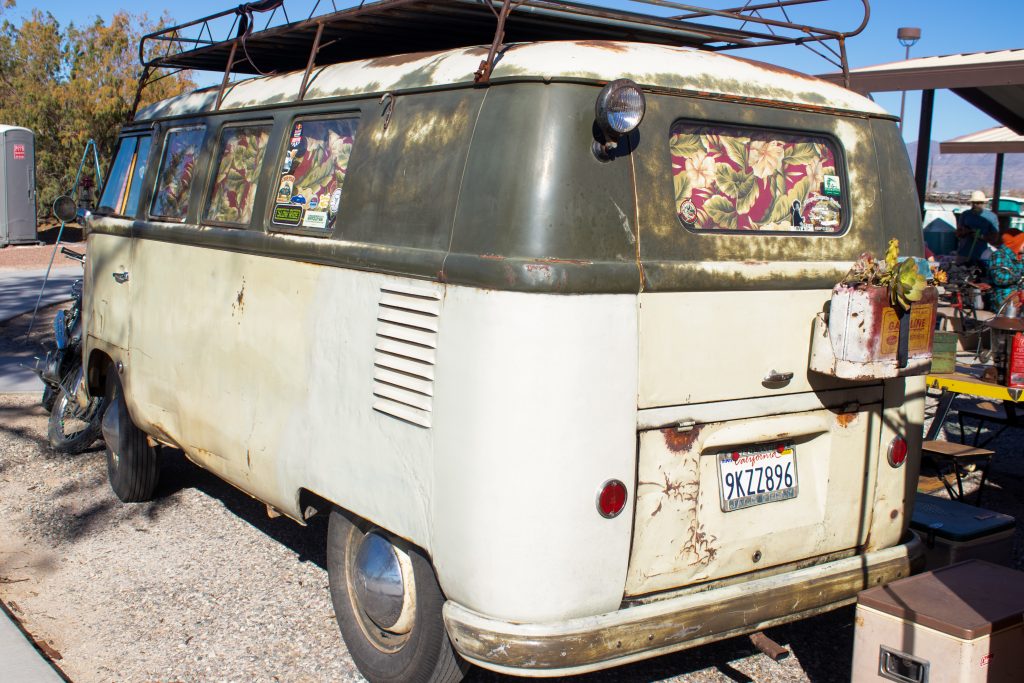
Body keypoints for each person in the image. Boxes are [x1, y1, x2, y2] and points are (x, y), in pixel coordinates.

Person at [985, 226, 1024, 312]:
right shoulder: (999, 255)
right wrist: (1020, 276)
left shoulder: (1020, 257)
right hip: (1004, 296)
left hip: (1019, 294)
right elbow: (1000, 278)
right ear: (1015, 243)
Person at [956, 190, 998, 268]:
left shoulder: (991, 217)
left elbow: (995, 237)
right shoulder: (965, 215)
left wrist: (982, 236)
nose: (976, 205)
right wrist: (967, 231)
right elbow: (958, 233)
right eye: (974, 203)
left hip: (982, 255)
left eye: (979, 203)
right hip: (964, 253)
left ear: (983, 203)